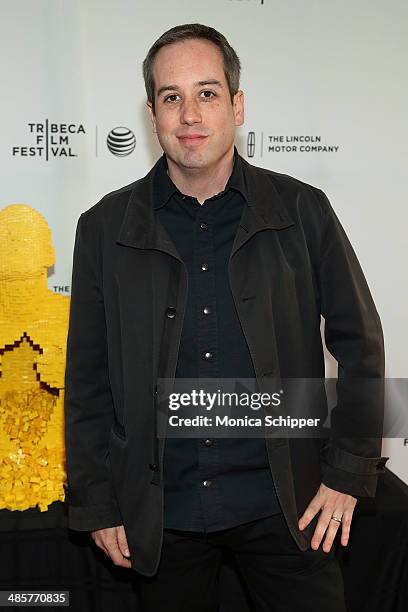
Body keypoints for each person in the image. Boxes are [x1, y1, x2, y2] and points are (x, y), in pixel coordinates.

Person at [64, 23, 389, 612]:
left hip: (289, 504)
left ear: (237, 106)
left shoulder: (301, 210)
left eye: (207, 93)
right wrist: (96, 500)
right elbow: (87, 380)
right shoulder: (104, 229)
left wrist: (347, 472)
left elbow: (361, 344)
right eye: (172, 97)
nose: (190, 113)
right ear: (152, 113)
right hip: (164, 517)